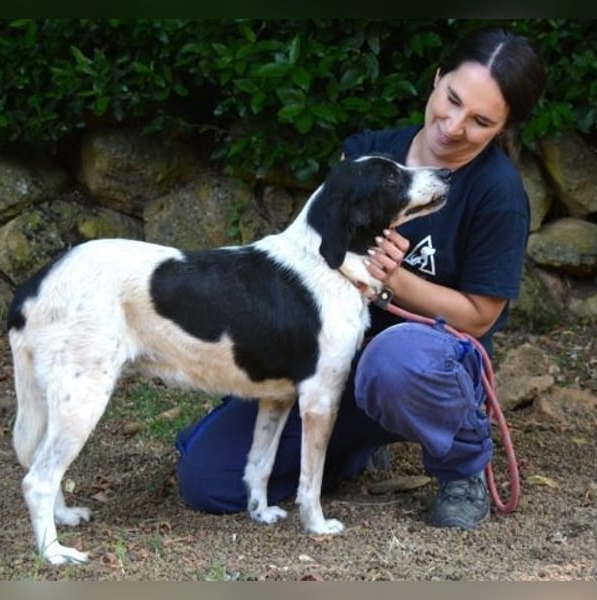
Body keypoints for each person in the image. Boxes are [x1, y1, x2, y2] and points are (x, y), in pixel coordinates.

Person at [175, 27, 546, 530]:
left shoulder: (496, 193)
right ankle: (354, 445)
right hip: (327, 361)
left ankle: (462, 466)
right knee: (208, 479)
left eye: (481, 121)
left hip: (417, 367)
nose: (454, 126)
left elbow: (480, 318)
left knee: (393, 363)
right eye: (452, 99)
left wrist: (395, 279)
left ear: (504, 126)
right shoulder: (371, 152)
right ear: (436, 80)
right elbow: (311, 255)